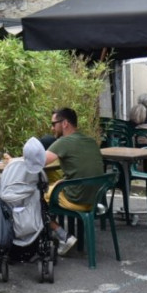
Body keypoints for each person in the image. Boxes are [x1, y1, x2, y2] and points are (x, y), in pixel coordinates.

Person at [43, 107, 101, 256]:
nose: (52, 128)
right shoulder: (91, 141)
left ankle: (63, 236)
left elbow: (37, 162)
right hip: (94, 199)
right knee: (56, 184)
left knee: (34, 198)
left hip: (75, 197)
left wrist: (13, 161)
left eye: (54, 123)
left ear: (65, 123)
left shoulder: (64, 142)